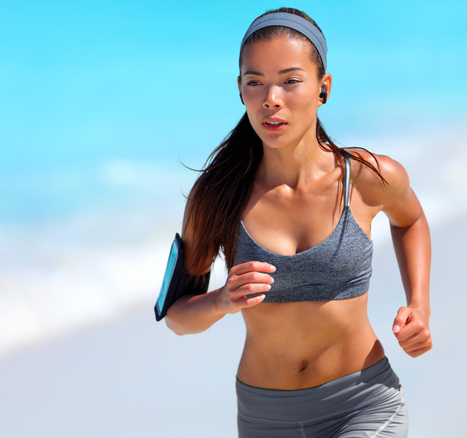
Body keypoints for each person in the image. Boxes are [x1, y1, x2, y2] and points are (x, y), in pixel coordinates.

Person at [163, 7, 432, 438]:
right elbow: (177, 318)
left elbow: (411, 219)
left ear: (323, 88)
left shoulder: (366, 179)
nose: (272, 98)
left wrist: (419, 303)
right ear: (241, 91)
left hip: (363, 400)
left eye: (290, 81)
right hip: (264, 414)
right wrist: (222, 301)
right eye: (256, 83)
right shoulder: (217, 196)